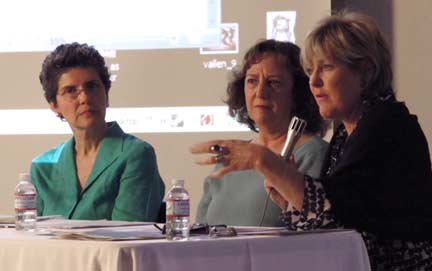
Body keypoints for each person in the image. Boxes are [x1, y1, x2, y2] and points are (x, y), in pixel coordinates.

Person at [191, 12, 432, 270]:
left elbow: (337, 211)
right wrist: (286, 200)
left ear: (365, 71)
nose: (314, 82)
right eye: (310, 71)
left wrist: (260, 158)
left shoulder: (386, 123)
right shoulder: (346, 133)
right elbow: (329, 222)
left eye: (326, 67)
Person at [193, 39, 328, 227]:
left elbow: (319, 228)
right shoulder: (235, 155)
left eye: (274, 83)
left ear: (297, 93)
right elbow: (200, 229)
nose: (260, 92)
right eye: (252, 81)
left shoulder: (314, 154)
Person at [31, 43, 165, 221]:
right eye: (71, 91)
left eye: (92, 86)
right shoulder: (42, 167)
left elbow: (127, 234)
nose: (85, 98)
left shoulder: (136, 155)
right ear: (54, 105)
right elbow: (32, 238)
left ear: (106, 95)